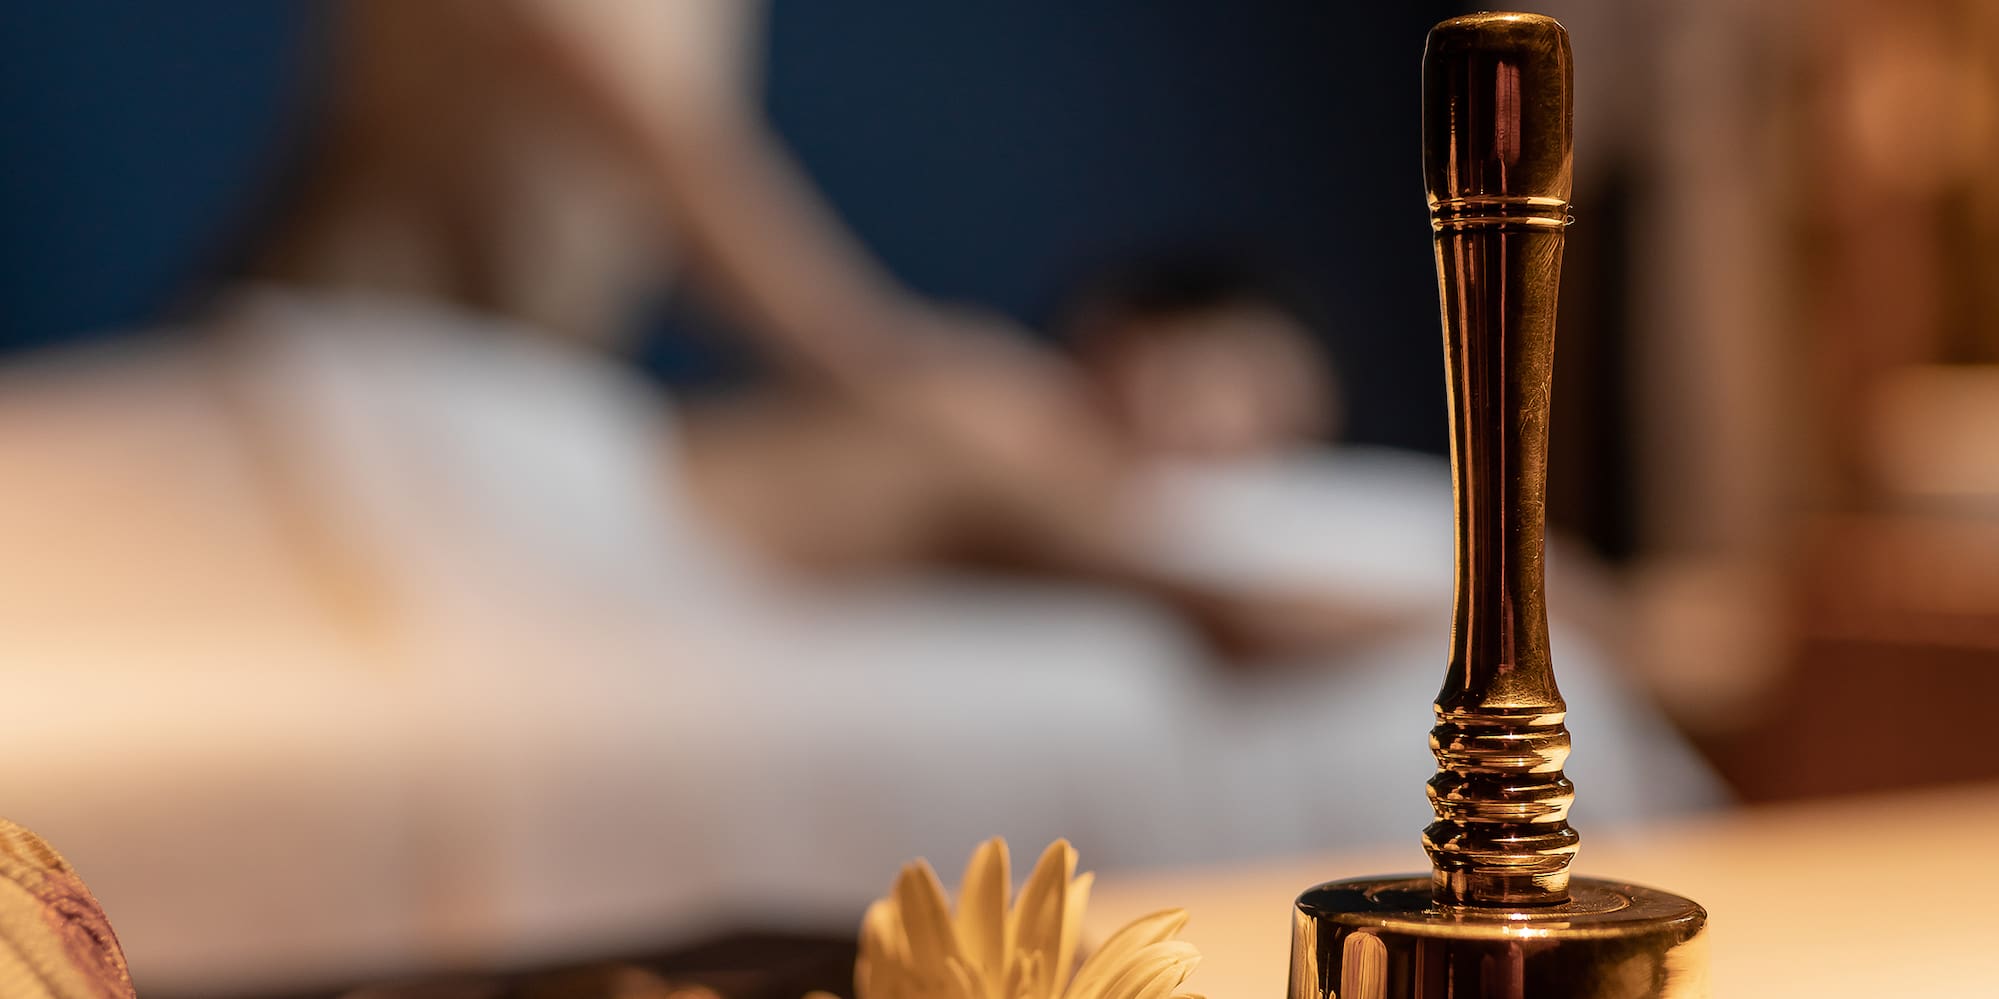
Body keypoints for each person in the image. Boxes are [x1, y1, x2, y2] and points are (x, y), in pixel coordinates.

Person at [0, 1, 1724, 988]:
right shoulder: (961, 414)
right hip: (405, 417)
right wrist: (878, 351)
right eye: (1199, 394)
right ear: (1123, 337)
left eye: (1246, 442)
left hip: (456, 401)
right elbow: (619, 133)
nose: (1211, 443)